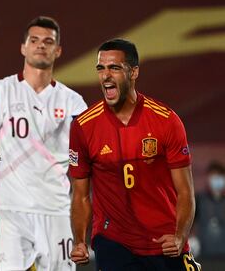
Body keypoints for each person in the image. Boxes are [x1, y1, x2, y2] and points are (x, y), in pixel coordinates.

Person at [69, 38, 201, 270]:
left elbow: (185, 192)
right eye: (101, 68)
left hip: (163, 242)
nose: (106, 75)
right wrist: (80, 240)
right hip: (113, 241)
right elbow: (80, 195)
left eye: (115, 68)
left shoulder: (166, 121)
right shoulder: (84, 126)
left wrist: (180, 236)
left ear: (134, 72)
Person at [0, 16, 87, 271]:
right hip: (11, 209)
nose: (40, 46)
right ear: (23, 47)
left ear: (58, 50)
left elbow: (85, 159)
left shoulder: (73, 103)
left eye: (48, 41)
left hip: (56, 209)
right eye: (34, 40)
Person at [195, 161, 225, 258]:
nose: (216, 180)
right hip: (204, 253)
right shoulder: (199, 199)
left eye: (219, 177)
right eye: (213, 177)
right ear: (208, 179)